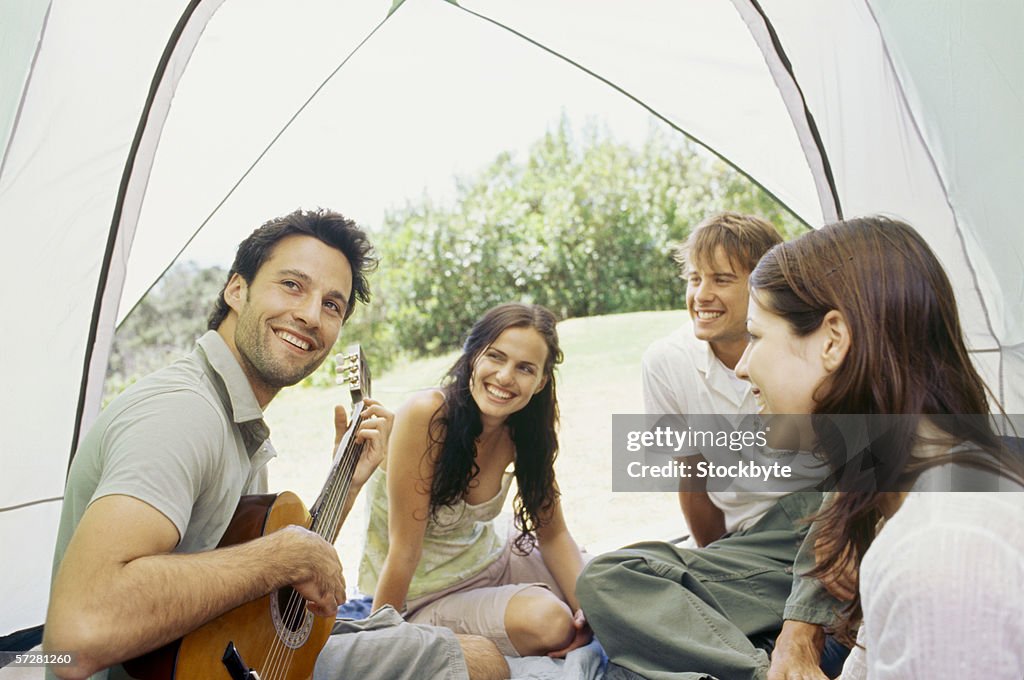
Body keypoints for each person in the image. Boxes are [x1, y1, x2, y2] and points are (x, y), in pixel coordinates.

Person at [43, 209, 508, 680]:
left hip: (220, 650)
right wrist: (283, 554)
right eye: (292, 285)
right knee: (479, 665)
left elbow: (256, 585)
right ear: (237, 290)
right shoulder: (182, 413)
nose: (309, 314)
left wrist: (343, 487)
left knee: (476, 654)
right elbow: (76, 637)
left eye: (332, 304)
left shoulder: (234, 417)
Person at [734, 215, 1024, 679]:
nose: (742, 367)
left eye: (755, 335)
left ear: (833, 340)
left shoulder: (942, 548)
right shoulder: (922, 507)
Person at [578, 212, 843, 680]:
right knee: (606, 579)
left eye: (721, 279)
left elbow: (842, 483)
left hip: (816, 526)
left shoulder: (804, 346)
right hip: (750, 550)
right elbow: (692, 477)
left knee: (636, 656)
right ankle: (756, 664)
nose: (701, 295)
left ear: (765, 285)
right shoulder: (668, 362)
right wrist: (712, 567)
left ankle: (754, 653)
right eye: (695, 278)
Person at [358, 302, 592, 659]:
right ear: (473, 355)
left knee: (606, 586)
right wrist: (381, 648)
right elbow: (404, 549)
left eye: (525, 368)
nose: (505, 377)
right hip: (428, 594)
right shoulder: (427, 416)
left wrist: (590, 613)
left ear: (541, 381)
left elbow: (554, 534)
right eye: (496, 357)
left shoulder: (523, 431)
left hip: (495, 557)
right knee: (552, 622)